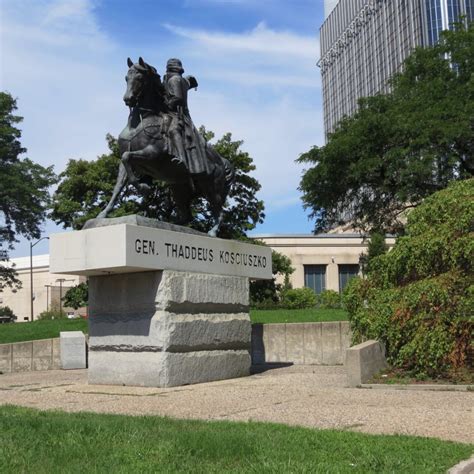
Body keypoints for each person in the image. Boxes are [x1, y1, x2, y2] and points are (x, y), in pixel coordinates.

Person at [162, 58, 212, 176]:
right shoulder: (180, 80)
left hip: (179, 115)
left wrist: (166, 104)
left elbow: (177, 98)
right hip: (172, 114)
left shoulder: (174, 79)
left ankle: (181, 158)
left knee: (174, 130)